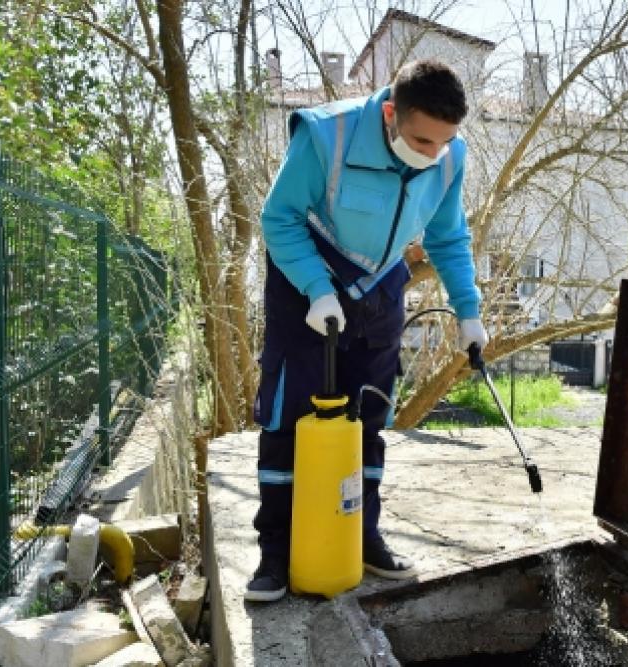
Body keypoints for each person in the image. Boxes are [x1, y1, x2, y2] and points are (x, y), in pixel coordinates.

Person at [246, 60, 488, 602]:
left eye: (443, 143)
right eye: (422, 140)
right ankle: (276, 555)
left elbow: (448, 238)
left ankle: (360, 534)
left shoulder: (449, 156)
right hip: (305, 281)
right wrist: (316, 287)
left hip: (379, 290)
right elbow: (279, 217)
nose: (432, 155)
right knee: (289, 423)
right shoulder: (325, 136)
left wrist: (468, 312)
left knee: (366, 422)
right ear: (388, 114)